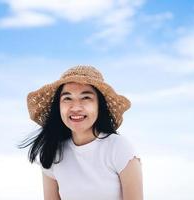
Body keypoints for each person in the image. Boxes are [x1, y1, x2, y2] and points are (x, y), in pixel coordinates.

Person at [20, 65, 143, 200]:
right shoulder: (52, 153)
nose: (76, 107)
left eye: (86, 98)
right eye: (67, 98)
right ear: (58, 107)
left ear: (99, 105)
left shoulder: (118, 147)